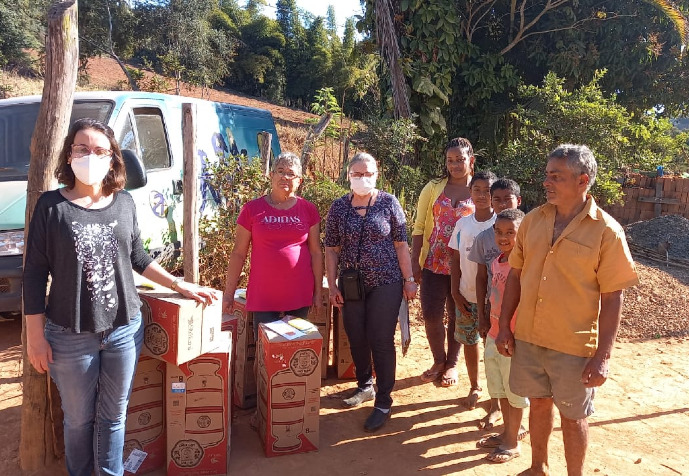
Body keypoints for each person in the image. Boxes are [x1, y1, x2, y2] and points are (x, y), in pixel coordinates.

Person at [23, 118, 217, 476]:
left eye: (100, 150)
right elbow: (34, 276)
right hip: (70, 335)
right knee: (80, 420)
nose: (90, 156)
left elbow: (137, 257)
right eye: (82, 148)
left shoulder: (124, 203)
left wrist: (178, 284)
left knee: (114, 417)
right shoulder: (51, 207)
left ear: (113, 159)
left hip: (124, 331)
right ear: (69, 156)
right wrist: (35, 338)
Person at [495, 144, 639, 476]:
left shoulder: (606, 232)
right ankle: (538, 467)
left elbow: (612, 297)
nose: (547, 182)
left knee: (574, 417)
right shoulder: (532, 221)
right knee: (539, 404)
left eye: (556, 176)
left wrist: (603, 355)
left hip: (573, 346)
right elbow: (515, 276)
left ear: (582, 180)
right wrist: (505, 325)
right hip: (529, 337)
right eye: (547, 175)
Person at [325, 152, 417, 432]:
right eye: (357, 174)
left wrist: (409, 279)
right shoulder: (339, 208)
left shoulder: (389, 203)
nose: (362, 178)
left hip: (387, 282)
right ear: (348, 175)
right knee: (356, 336)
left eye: (368, 173)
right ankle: (364, 385)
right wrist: (331, 284)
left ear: (377, 174)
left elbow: (401, 245)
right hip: (352, 284)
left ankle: (384, 401)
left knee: (380, 339)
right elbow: (331, 249)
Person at [222, 152, 323, 336]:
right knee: (266, 354)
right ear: (271, 175)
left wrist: (317, 293)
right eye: (280, 171)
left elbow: (316, 253)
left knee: (293, 352)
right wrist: (229, 294)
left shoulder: (309, 210)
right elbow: (238, 253)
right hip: (264, 295)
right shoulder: (252, 210)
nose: (285, 176)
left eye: (291, 173)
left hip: (299, 294)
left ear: (299, 180)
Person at [412, 137, 475, 386]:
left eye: (460, 159)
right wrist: (416, 262)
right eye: (450, 160)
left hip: (466, 266)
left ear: (471, 160)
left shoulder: (481, 189)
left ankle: (452, 364)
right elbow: (418, 227)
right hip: (434, 263)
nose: (455, 165)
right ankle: (439, 360)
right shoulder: (433, 187)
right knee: (431, 314)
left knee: (458, 314)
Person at [475, 208, 529, 464]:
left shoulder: (525, 266)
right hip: (494, 335)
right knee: (501, 390)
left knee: (514, 391)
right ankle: (507, 432)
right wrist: (486, 321)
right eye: (499, 232)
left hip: (513, 340)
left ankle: (512, 441)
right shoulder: (497, 260)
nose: (503, 237)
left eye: (511, 232)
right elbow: (491, 296)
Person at [468, 177, 522, 427]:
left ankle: (516, 422)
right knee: (494, 369)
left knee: (514, 373)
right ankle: (495, 408)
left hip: (516, 322)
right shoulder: (484, 239)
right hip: (494, 314)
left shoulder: (527, 239)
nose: (500, 204)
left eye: (506, 199)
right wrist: (481, 315)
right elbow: (482, 280)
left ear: (518, 201)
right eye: (496, 199)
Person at [448, 170, 497, 407]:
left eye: (487, 191)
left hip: (494, 300)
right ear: (470, 193)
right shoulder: (462, 224)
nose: (482, 195)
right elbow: (454, 259)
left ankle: (497, 396)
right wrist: (455, 292)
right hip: (466, 295)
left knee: (494, 348)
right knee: (470, 341)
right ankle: (475, 386)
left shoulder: (501, 223)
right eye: (476, 190)